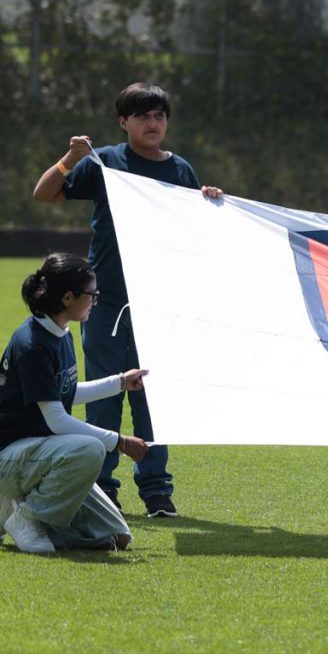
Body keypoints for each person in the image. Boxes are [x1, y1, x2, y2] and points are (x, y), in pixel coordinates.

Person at [32, 82, 222, 517]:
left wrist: (209, 202)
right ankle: (102, 489)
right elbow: (44, 195)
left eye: (159, 115)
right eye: (142, 116)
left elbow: (198, 233)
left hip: (159, 304)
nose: (152, 123)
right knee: (105, 396)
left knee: (153, 398)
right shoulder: (108, 162)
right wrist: (69, 159)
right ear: (123, 123)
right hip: (104, 303)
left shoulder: (180, 170)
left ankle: (157, 492)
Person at [0, 253, 150, 553]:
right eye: (92, 295)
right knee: (90, 448)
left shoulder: (59, 331)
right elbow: (57, 419)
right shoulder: (32, 344)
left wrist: (119, 382)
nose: (95, 300)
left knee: (118, 537)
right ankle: (24, 519)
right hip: (10, 457)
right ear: (68, 297)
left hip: (35, 456)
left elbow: (65, 392)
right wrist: (120, 441)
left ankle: (10, 512)